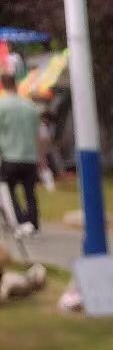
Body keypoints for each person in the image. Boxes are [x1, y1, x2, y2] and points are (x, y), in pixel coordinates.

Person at [0, 72, 44, 233]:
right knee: (30, 192)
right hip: (29, 156)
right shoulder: (30, 106)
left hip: (10, 156)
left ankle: (18, 219)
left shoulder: (2, 106)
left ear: (2, 84)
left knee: (7, 190)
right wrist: (40, 157)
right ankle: (33, 221)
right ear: (16, 84)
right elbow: (38, 134)